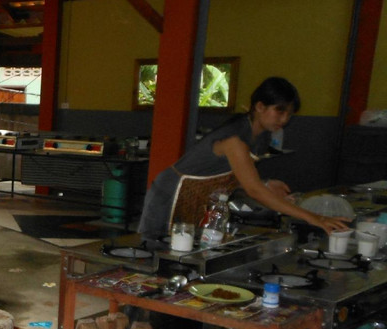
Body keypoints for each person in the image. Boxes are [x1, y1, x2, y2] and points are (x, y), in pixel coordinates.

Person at [138, 77, 350, 239]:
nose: (284, 119)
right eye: (280, 111)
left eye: (289, 114)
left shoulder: (259, 136)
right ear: (259, 107)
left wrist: (266, 184)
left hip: (198, 197)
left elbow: (236, 176)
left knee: (184, 247)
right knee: (157, 247)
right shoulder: (235, 140)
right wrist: (316, 218)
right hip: (171, 194)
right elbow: (253, 190)